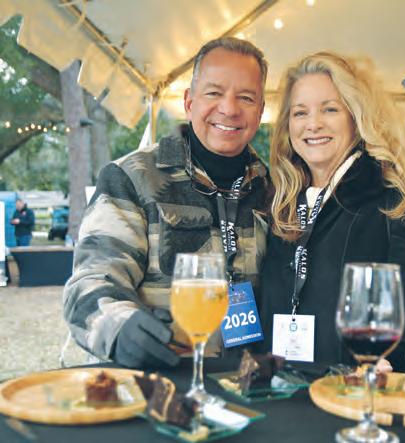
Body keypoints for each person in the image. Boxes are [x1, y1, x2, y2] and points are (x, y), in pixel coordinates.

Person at [63, 37, 270, 368]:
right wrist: (119, 328)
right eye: (214, 93)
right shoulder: (131, 177)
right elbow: (90, 284)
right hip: (161, 381)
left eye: (246, 98)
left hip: (248, 383)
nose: (229, 108)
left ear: (260, 111)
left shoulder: (275, 189)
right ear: (189, 102)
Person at [258, 51, 405, 373]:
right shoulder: (281, 206)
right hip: (282, 393)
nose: (313, 124)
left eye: (330, 109)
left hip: (356, 396)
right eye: (300, 113)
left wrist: (389, 367)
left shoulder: (399, 199)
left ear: (356, 116)